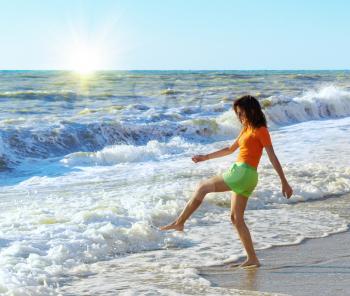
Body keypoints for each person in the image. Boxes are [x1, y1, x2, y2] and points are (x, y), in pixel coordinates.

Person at [159, 95, 293, 268]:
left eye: (242, 113)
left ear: (252, 110)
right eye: (238, 114)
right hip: (249, 177)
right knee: (236, 218)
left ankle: (179, 222)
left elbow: (272, 156)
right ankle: (253, 258)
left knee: (201, 187)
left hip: (242, 173)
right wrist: (205, 157)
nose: (240, 117)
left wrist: (284, 181)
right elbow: (230, 149)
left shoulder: (261, 130)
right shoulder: (247, 128)